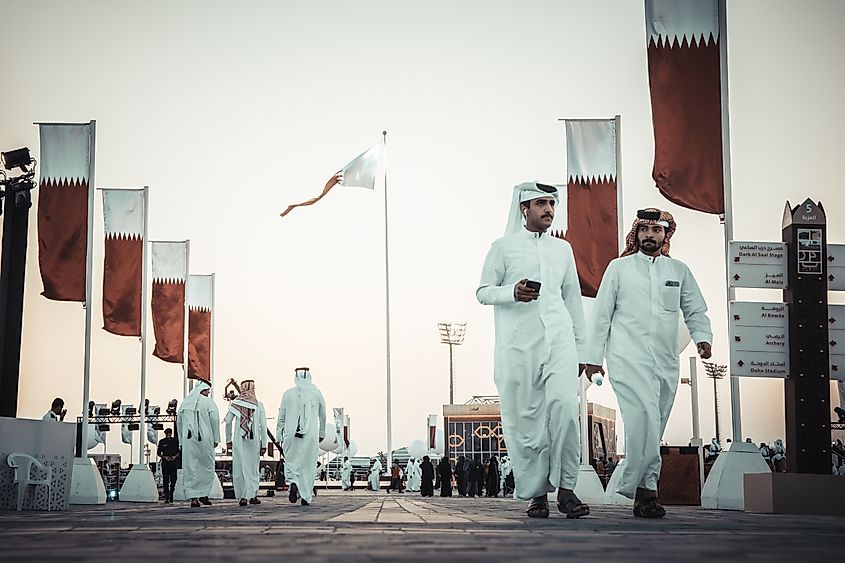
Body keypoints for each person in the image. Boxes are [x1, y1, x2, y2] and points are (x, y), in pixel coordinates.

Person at [585, 208, 713, 519]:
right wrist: (591, 358)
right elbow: (601, 315)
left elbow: (695, 309)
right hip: (626, 359)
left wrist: (702, 337)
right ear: (636, 234)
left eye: (657, 231)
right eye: (645, 230)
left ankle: (641, 491)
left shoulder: (679, 271)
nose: (650, 236)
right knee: (644, 417)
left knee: (654, 425)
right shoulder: (619, 269)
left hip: (665, 362)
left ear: (666, 235)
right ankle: (647, 492)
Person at [476, 182, 588, 519]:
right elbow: (482, 291)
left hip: (560, 340)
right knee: (527, 421)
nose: (548, 211)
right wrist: (512, 291)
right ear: (524, 209)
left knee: (566, 409)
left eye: (552, 204)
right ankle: (537, 494)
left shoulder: (562, 249)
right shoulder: (503, 248)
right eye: (541, 204)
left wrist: (582, 348)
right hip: (518, 345)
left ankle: (567, 490)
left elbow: (573, 299)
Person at [277, 367, 326, 506]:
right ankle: (306, 496)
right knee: (308, 465)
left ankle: (293, 482)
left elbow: (281, 416)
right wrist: (321, 433)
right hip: (311, 435)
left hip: (290, 434)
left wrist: (278, 436)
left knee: (292, 462)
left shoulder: (287, 394)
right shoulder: (316, 393)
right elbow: (323, 414)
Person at [224, 380, 268, 507]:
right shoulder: (259, 405)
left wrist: (228, 440)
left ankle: (243, 497)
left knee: (240, 467)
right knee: (253, 468)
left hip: (239, 441)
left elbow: (227, 422)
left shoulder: (235, 405)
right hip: (254, 441)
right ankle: (252, 495)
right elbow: (263, 426)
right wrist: (264, 444)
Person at [177, 380, 220, 508]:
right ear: (203, 390)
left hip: (188, 440)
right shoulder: (209, 402)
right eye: (207, 391)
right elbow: (215, 420)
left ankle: (194, 498)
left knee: (190, 466)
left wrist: (181, 441)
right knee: (207, 466)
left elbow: (179, 424)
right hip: (205, 440)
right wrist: (216, 439)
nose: (208, 393)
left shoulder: (184, 403)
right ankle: (203, 494)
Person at [156, 427, 180, 503]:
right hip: (165, 463)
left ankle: (171, 495)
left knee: (173, 479)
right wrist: (164, 457)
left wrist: (174, 456)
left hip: (173, 463)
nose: (168, 435)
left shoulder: (175, 441)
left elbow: (179, 451)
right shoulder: (162, 442)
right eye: (167, 434)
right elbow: (159, 453)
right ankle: (167, 496)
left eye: (169, 434)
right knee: (165, 480)